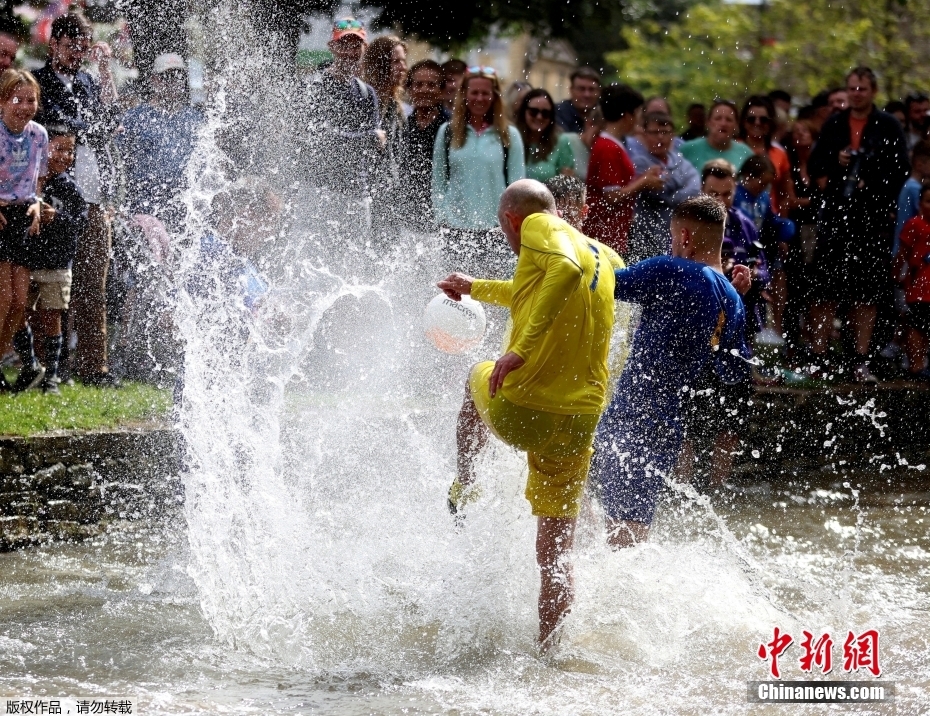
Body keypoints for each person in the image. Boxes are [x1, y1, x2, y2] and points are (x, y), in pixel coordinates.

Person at [438, 179, 626, 649]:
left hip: (521, 407)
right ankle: (551, 657)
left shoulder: (539, 226)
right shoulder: (604, 255)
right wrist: (474, 287)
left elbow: (559, 270)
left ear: (511, 220)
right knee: (556, 556)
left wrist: (519, 350)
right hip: (580, 418)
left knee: (472, 377)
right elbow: (544, 289)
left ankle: (465, 481)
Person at [591, 195, 750, 548]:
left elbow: (598, 285)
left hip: (633, 416)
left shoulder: (670, 270)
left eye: (673, 236)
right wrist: (731, 296)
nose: (671, 243)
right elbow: (731, 370)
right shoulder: (734, 299)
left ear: (686, 237)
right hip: (667, 426)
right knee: (629, 529)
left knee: (608, 528)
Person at [807, 66, 910, 383]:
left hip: (871, 219)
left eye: (862, 88)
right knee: (824, 289)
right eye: (851, 88)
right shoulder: (834, 123)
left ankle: (860, 359)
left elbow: (901, 171)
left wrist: (873, 176)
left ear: (873, 91)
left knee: (866, 293)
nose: (855, 94)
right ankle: (820, 357)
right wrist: (835, 163)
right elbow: (815, 166)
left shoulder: (889, 126)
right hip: (837, 215)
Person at [34, 12, 120, 386]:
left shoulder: (88, 81)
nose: (76, 54)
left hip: (93, 195)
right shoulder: (37, 83)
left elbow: (109, 119)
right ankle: (49, 367)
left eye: (82, 48)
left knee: (92, 284)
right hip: (54, 195)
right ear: (54, 45)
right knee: (52, 284)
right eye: (71, 47)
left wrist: (103, 69)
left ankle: (94, 368)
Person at [431, 66, 525, 277]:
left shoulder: (509, 135)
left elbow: (518, 188)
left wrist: (512, 228)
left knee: (492, 299)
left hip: (496, 231)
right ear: (464, 94)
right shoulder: (447, 132)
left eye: (485, 93)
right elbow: (438, 182)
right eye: (474, 92)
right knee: (455, 298)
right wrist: (442, 216)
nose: (480, 98)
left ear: (494, 96)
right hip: (454, 231)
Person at [300, 16, 383, 238]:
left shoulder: (368, 93)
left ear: (364, 48)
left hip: (356, 194)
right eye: (343, 45)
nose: (349, 52)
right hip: (318, 191)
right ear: (332, 47)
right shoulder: (314, 87)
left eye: (356, 45)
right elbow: (321, 139)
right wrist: (369, 137)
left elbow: (374, 149)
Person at [28, 123, 87, 394]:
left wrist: (58, 218)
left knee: (53, 317)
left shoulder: (69, 188)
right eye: (59, 148)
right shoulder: (28, 179)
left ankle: (51, 376)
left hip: (57, 263)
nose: (65, 156)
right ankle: (30, 366)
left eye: (70, 151)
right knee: (21, 313)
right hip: (26, 259)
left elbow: (81, 222)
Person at [0, 69, 48, 393]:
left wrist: (38, 203)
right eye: (17, 99)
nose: (24, 106)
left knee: (20, 304)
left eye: (30, 100)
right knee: (3, 300)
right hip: (1, 216)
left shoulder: (39, 135)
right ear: (3, 101)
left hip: (24, 217)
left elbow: (40, 180)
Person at [119, 53, 202, 230]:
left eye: (179, 77)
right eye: (168, 77)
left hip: (183, 211)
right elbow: (118, 161)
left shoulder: (195, 120)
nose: (175, 83)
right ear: (155, 80)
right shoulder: (135, 118)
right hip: (145, 209)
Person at [584, 84, 663, 255]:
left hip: (611, 233)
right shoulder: (608, 148)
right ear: (628, 115)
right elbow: (611, 196)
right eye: (639, 113)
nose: (640, 119)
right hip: (604, 235)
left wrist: (644, 177)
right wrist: (644, 182)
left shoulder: (611, 144)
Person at [703, 159, 770, 336]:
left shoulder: (745, 225)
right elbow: (675, 271)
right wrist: (714, 270)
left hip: (741, 313)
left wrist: (754, 273)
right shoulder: (688, 224)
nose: (720, 201)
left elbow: (764, 270)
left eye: (727, 194)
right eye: (714, 194)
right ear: (702, 190)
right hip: (702, 313)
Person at [625, 111, 701, 263]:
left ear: (673, 135)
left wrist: (669, 189)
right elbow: (659, 192)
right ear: (645, 135)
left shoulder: (680, 161)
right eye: (655, 132)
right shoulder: (639, 163)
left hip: (674, 239)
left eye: (665, 132)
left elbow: (694, 188)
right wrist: (677, 187)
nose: (660, 137)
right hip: (645, 240)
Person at [734, 155, 795, 339]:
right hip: (737, 256)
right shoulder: (735, 195)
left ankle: (753, 346)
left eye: (767, 184)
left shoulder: (763, 198)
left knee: (756, 305)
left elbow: (769, 221)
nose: (763, 187)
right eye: (761, 182)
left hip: (756, 257)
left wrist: (782, 230)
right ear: (748, 176)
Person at [361, 35, 408, 232]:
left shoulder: (396, 105)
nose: (403, 67)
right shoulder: (363, 99)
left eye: (404, 61)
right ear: (379, 63)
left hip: (388, 196)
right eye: (396, 61)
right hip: (364, 194)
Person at [398, 60, 449, 229]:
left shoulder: (452, 129)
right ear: (409, 89)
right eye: (418, 84)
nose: (424, 90)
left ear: (441, 91)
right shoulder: (401, 124)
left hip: (442, 220)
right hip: (405, 219)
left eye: (431, 85)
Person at [895, 183, 930, 379]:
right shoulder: (915, 224)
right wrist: (896, 274)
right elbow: (902, 254)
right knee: (917, 325)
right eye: (928, 201)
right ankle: (915, 365)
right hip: (919, 287)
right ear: (920, 203)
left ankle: (922, 363)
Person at [737, 95, 794, 215]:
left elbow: (785, 196)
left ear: (770, 123)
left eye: (763, 119)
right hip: (736, 220)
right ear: (743, 122)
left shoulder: (779, 153)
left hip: (767, 222)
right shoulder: (732, 148)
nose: (757, 123)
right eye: (751, 119)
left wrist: (781, 222)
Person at [514, 88, 575, 183]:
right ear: (524, 112)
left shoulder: (561, 142)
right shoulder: (513, 138)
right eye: (533, 112)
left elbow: (566, 185)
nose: (539, 117)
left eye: (545, 113)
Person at [680, 99, 754, 175]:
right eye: (718, 118)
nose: (723, 124)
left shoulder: (746, 153)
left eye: (729, 120)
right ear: (708, 123)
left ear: (736, 126)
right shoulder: (688, 150)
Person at [554, 67, 601, 134]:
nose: (587, 95)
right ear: (571, 90)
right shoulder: (557, 113)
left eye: (591, 90)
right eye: (581, 89)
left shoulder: (606, 115)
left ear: (598, 92)